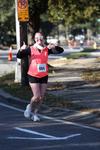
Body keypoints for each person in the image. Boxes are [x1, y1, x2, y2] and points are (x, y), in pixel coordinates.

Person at [17, 32, 64, 121]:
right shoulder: (31, 49)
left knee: (41, 97)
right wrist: (21, 49)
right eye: (37, 38)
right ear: (35, 39)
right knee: (36, 96)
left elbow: (61, 51)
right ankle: (29, 108)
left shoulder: (46, 49)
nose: (39, 39)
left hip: (44, 75)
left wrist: (55, 47)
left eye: (41, 38)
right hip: (33, 75)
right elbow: (19, 56)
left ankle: (35, 114)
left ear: (43, 39)